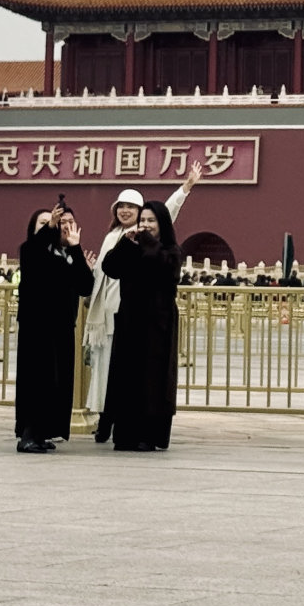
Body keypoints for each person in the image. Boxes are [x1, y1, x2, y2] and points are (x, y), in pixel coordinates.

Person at [84, 165, 201, 438]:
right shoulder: (116, 237)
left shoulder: (150, 241)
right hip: (113, 315)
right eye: (120, 206)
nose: (125, 211)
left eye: (131, 207)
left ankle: (121, 423)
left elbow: (166, 211)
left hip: (149, 320)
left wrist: (185, 187)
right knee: (109, 372)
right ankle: (106, 419)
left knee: (142, 375)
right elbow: (108, 268)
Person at [100, 201, 182, 452]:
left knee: (152, 379)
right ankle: (125, 434)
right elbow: (109, 268)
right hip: (130, 321)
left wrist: (147, 242)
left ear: (162, 224)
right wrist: (125, 243)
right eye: (143, 221)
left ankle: (150, 435)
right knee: (126, 377)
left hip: (157, 325)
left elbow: (167, 270)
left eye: (151, 221)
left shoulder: (170, 250)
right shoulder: (133, 247)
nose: (145, 226)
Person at [15, 203, 94, 453]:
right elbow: (36, 254)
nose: (54, 226)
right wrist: (49, 229)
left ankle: (43, 432)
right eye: (44, 223)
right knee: (36, 381)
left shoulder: (67, 255)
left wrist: (76, 248)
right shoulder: (31, 252)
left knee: (56, 383)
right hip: (36, 329)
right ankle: (28, 434)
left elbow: (85, 286)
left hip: (61, 328)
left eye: (58, 222)